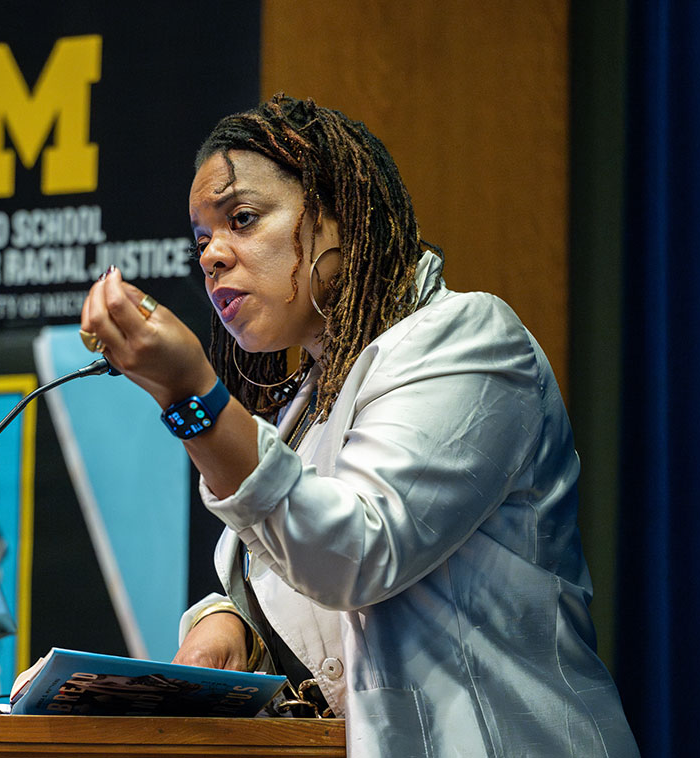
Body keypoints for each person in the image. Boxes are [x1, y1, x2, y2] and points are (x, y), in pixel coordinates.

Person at [79, 95, 639, 756]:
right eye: (202, 240)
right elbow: (300, 577)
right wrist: (230, 623)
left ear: (338, 215)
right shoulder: (315, 393)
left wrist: (190, 396)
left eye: (243, 219)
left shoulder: (468, 341)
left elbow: (357, 554)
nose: (211, 257)